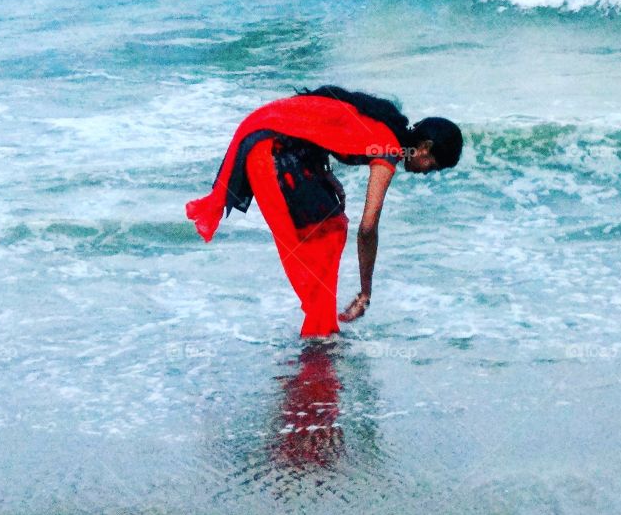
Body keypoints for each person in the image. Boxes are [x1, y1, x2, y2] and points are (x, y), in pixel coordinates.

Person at [185, 85, 462, 337]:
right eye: (433, 165)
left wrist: (325, 172)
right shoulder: (388, 146)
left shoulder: (387, 124)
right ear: (424, 148)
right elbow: (368, 228)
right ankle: (319, 337)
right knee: (328, 232)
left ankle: (320, 333)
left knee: (331, 226)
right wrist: (365, 292)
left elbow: (320, 122)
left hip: (273, 137)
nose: (427, 173)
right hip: (269, 146)